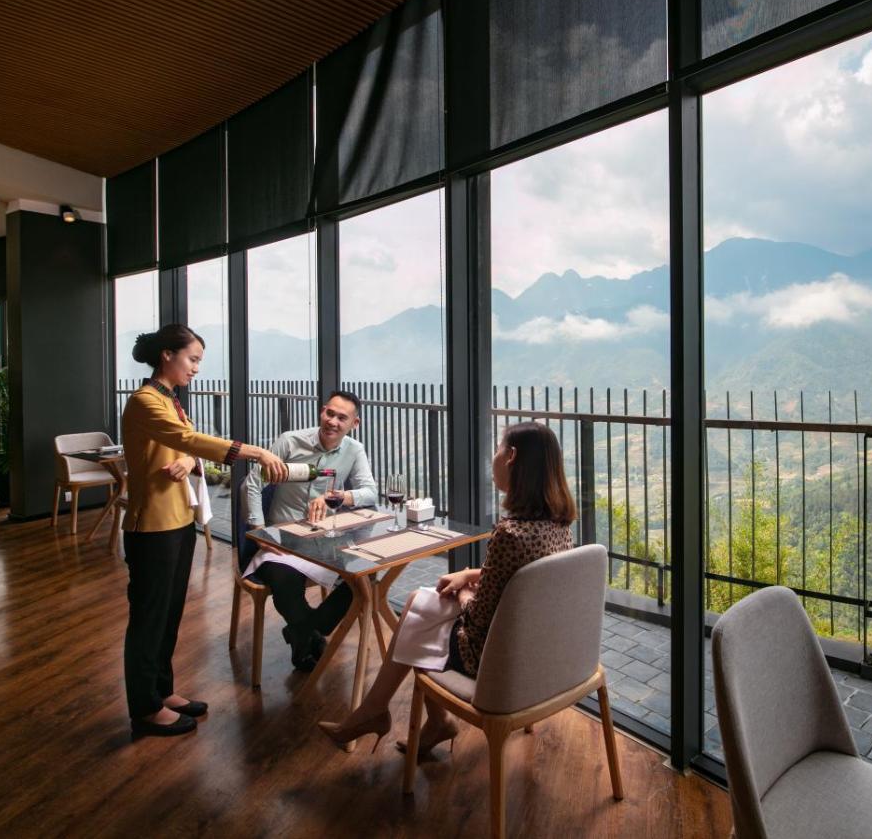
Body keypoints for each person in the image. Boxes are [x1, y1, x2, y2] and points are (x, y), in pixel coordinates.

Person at [317, 421, 576, 755]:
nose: (494, 457)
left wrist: (464, 592)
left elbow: (478, 619)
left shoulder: (510, 534)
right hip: (538, 648)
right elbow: (525, 576)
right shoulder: (558, 522)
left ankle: (380, 713)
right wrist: (471, 575)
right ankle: (401, 716)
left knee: (419, 614)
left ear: (511, 456)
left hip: (492, 658)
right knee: (420, 603)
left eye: (498, 449)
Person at [120, 323, 287, 738]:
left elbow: (184, 449)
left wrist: (186, 461)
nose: (196, 368)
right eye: (192, 359)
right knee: (149, 617)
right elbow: (186, 438)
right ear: (167, 355)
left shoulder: (170, 399)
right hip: (151, 525)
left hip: (179, 521)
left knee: (170, 613)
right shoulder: (145, 401)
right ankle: (144, 707)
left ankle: (162, 691)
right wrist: (255, 452)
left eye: (199, 361)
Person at [241, 390, 378, 671]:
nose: (333, 422)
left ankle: (302, 632)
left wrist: (337, 497)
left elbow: (370, 492)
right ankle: (310, 636)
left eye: (342, 418)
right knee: (285, 582)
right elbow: (251, 484)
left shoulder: (354, 450)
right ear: (322, 411)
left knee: (366, 574)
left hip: (326, 539)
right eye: (330, 413)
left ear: (354, 424)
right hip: (282, 540)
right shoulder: (290, 441)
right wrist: (259, 530)